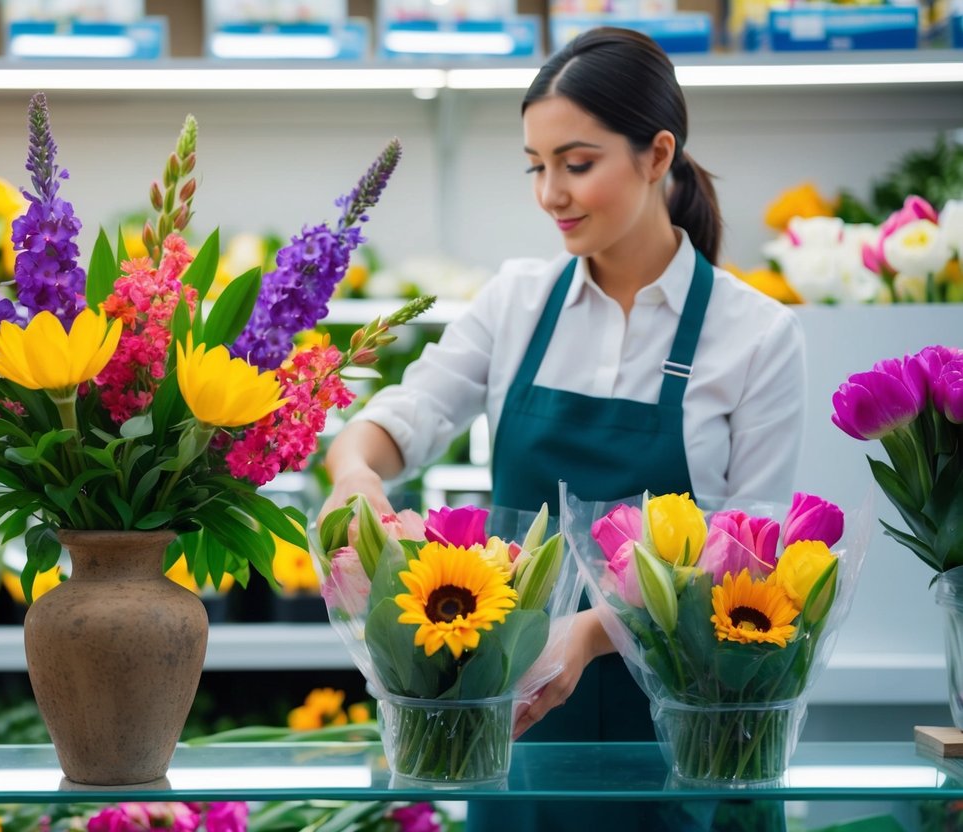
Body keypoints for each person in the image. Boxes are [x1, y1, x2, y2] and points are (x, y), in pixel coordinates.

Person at [322, 26, 806, 832]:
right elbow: (392, 423)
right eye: (536, 166)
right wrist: (355, 476)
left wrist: (586, 630)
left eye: (576, 164)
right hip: (519, 729)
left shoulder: (753, 334)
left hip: (692, 729)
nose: (550, 192)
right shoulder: (514, 304)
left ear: (656, 155)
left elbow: (747, 553)